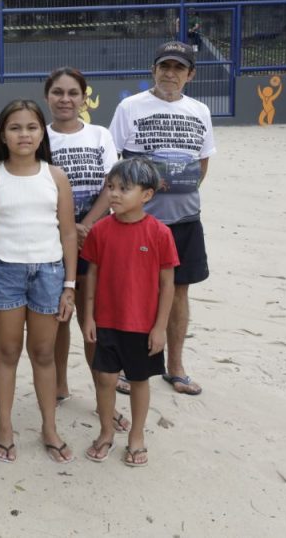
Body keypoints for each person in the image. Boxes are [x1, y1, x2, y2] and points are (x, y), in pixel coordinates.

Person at [0, 100, 78, 464]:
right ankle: (5, 427)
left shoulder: (56, 176)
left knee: (44, 353)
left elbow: (67, 235)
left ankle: (49, 427)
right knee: (7, 351)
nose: (24, 134)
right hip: (4, 274)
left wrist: (70, 285)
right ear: (3, 134)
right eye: (15, 127)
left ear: (42, 132)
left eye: (32, 127)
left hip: (49, 273)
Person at [109, 41, 216, 396]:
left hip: (185, 218)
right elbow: (116, 160)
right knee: (136, 293)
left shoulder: (199, 110)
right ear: (154, 70)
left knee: (179, 292)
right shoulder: (130, 107)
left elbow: (202, 162)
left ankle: (176, 366)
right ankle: (129, 365)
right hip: (141, 221)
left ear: (190, 74)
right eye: (164, 66)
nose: (170, 74)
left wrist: (179, 190)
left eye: (178, 68)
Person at [43, 67, 130, 431]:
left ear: (84, 97)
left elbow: (113, 184)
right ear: (47, 96)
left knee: (93, 320)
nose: (65, 99)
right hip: (51, 239)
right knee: (59, 315)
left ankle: (102, 397)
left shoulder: (99, 134)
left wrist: (87, 225)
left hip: (95, 238)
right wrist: (67, 229)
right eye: (58, 92)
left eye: (73, 93)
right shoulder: (39, 135)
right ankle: (60, 385)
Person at [81, 158, 178, 467]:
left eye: (124, 188)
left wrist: (160, 327)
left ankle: (136, 435)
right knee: (105, 379)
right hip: (107, 321)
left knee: (139, 380)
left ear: (147, 195)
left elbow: (168, 285)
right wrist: (88, 316)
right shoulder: (100, 231)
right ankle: (106, 431)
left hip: (142, 325)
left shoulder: (160, 233)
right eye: (111, 187)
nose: (115, 194)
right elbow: (92, 275)